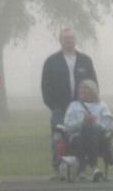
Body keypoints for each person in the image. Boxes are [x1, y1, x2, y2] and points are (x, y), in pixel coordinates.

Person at [41, 28, 97, 178]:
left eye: (71, 38)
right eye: (66, 38)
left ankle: (81, 169)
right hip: (59, 108)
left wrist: (90, 104)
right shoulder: (51, 61)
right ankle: (58, 168)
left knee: (81, 136)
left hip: (81, 108)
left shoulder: (85, 60)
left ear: (75, 40)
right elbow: (45, 87)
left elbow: (93, 84)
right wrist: (54, 106)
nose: (69, 40)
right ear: (60, 40)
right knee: (59, 137)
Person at [61, 78, 113, 182]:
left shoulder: (101, 106)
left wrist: (95, 124)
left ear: (93, 92)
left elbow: (110, 124)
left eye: (86, 90)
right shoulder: (73, 106)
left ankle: (82, 170)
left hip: (97, 138)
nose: (82, 93)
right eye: (81, 90)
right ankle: (94, 167)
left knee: (90, 129)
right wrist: (82, 123)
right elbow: (67, 126)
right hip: (77, 138)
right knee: (86, 129)